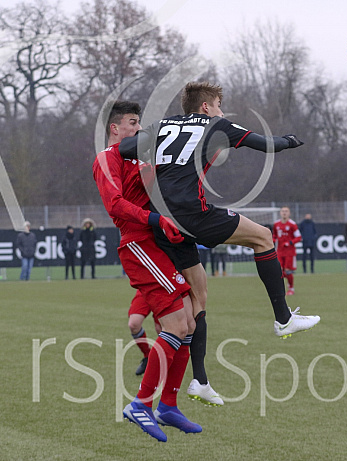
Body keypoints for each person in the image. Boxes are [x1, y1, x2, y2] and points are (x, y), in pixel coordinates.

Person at [118, 81, 320, 340]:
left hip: (162, 222)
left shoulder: (162, 125)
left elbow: (124, 149)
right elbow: (268, 144)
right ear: (205, 107)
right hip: (193, 214)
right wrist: (290, 141)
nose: (222, 113)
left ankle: (199, 380)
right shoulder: (216, 125)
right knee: (263, 238)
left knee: (197, 301)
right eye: (218, 106)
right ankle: (283, 319)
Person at [94, 100, 202, 442]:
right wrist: (154, 218)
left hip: (159, 245)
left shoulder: (140, 157)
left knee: (188, 323)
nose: (138, 129)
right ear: (115, 128)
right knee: (175, 324)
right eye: (132, 122)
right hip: (138, 244)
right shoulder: (107, 157)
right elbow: (115, 205)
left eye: (139, 122)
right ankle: (141, 403)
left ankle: (168, 405)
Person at [273, 206, 302, 295]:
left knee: (288, 270)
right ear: (280, 213)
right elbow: (274, 236)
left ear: (289, 213)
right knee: (279, 271)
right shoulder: (276, 224)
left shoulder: (292, 224)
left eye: (286, 211)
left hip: (290, 252)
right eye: (283, 211)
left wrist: (290, 242)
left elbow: (298, 237)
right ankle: (281, 289)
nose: (284, 213)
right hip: (279, 251)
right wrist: (272, 241)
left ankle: (291, 288)